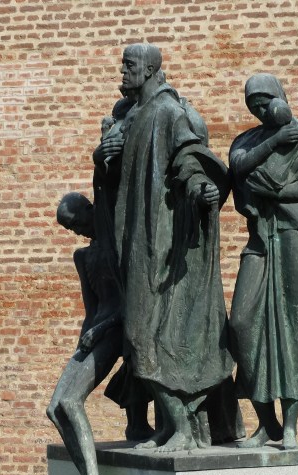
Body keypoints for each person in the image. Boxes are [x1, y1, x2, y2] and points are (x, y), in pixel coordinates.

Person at [93, 44, 234, 452]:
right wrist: (105, 156)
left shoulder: (168, 112)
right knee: (144, 336)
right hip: (134, 241)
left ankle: (183, 429)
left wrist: (200, 188)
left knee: (144, 335)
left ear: (150, 69)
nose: (122, 72)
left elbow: (188, 158)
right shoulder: (131, 115)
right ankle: (171, 427)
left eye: (129, 66)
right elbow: (116, 176)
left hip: (160, 243)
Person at [229, 73, 298, 450]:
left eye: (265, 103)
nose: (260, 110)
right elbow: (238, 168)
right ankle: (268, 423)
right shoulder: (247, 140)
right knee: (242, 323)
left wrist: (274, 191)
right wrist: (273, 142)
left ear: (279, 98)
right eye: (253, 105)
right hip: (259, 239)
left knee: (293, 324)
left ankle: (292, 425)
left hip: (295, 234)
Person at [46, 193, 151, 475]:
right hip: (95, 333)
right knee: (54, 408)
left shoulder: (119, 246)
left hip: (117, 330)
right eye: (71, 229)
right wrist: (82, 344)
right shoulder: (83, 257)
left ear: (90, 208)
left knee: (70, 402)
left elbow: (131, 303)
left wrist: (100, 329)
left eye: (77, 223)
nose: (77, 232)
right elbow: (91, 310)